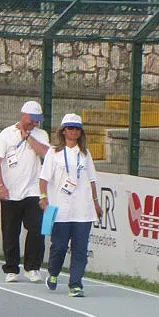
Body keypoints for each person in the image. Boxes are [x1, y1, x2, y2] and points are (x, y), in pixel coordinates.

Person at [39, 113, 103, 298]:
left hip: (83, 209)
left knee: (80, 250)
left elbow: (92, 180)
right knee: (58, 247)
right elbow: (43, 179)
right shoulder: (54, 152)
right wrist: (43, 197)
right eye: (70, 128)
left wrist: (96, 202)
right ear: (63, 131)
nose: (73, 132)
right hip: (60, 209)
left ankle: (75, 284)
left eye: (77, 129)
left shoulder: (85, 154)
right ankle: (53, 272)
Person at [0, 100, 51, 283]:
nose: (35, 123)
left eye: (37, 120)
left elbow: (46, 154)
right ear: (23, 116)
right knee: (10, 231)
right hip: (11, 192)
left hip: (33, 190)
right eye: (32, 119)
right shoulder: (6, 134)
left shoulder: (41, 134)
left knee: (36, 229)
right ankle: (11, 268)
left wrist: (28, 137)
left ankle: (32, 267)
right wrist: (0, 186)